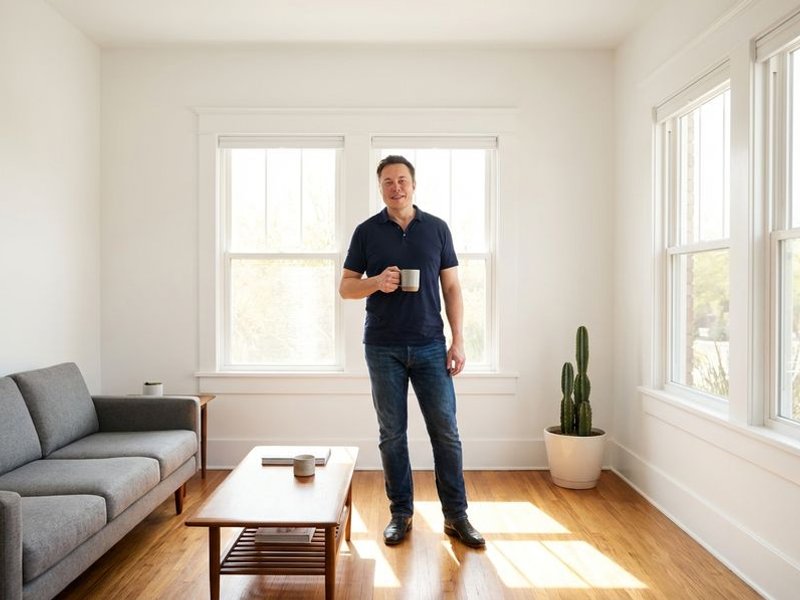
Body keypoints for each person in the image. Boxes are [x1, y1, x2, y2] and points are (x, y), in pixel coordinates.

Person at [339, 155, 485, 548]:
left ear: (413, 184)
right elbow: (346, 287)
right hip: (382, 346)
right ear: (381, 187)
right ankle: (400, 514)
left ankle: (456, 516)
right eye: (388, 182)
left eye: (402, 180)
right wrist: (375, 282)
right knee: (392, 435)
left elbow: (452, 288)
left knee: (446, 433)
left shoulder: (436, 229)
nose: (396, 187)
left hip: (430, 344)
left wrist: (459, 340)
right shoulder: (366, 232)